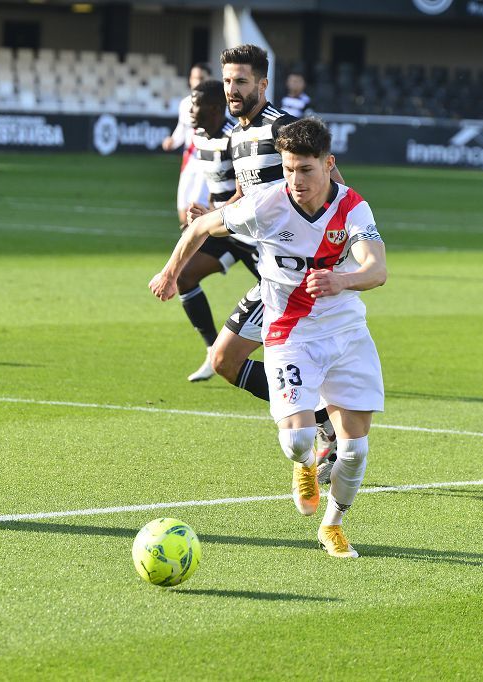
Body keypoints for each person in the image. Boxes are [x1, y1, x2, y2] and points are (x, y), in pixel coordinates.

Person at [151, 118, 386, 558]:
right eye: (290, 168)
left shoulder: (354, 208)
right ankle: (305, 463)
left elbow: (377, 269)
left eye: (307, 170)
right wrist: (170, 272)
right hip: (289, 333)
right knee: (296, 441)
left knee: (354, 451)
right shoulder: (264, 205)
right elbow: (201, 229)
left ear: (328, 164)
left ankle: (332, 526)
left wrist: (343, 280)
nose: (297, 180)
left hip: (346, 332)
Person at [193, 44, 348, 473]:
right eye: (227, 81)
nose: (232, 89)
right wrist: (213, 215)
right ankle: (324, 422)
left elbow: (336, 188)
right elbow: (248, 197)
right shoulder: (238, 136)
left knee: (227, 359)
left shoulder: (283, 126)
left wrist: (336, 245)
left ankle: (324, 424)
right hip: (271, 274)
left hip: (294, 278)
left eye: (241, 81)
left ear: (263, 83)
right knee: (224, 361)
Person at [175, 79, 259, 382]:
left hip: (250, 233)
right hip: (224, 229)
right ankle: (213, 351)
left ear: (212, 108)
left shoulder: (233, 139)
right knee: (184, 275)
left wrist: (210, 216)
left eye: (195, 104)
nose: (190, 110)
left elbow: (244, 191)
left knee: (286, 300)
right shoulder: (199, 137)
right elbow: (217, 187)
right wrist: (204, 215)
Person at [162, 62, 212, 226]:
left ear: (208, 79)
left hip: (206, 163)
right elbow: (181, 130)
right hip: (189, 162)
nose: (197, 81)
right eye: (194, 77)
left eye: (201, 78)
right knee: (183, 212)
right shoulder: (185, 104)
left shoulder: (217, 105)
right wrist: (172, 141)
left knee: (196, 208)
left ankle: (201, 249)